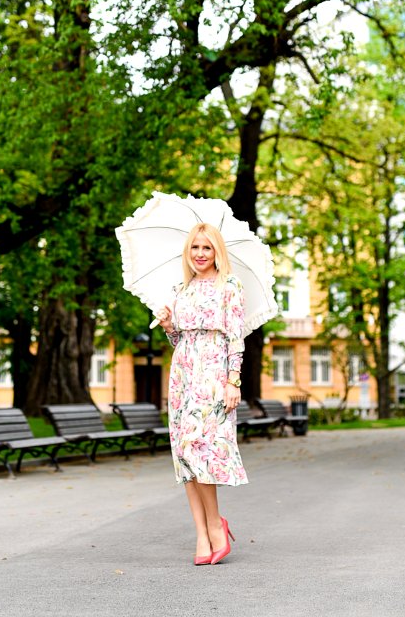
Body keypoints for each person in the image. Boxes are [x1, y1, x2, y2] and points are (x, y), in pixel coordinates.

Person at [157, 222, 248, 566]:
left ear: (217, 252)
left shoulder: (230, 286)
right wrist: (168, 326)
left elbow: (235, 338)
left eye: (206, 248)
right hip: (182, 374)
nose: (199, 254)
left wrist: (233, 382)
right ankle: (201, 533)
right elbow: (180, 342)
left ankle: (216, 525)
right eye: (195, 247)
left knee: (201, 450)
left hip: (212, 374)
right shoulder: (181, 288)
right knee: (184, 455)